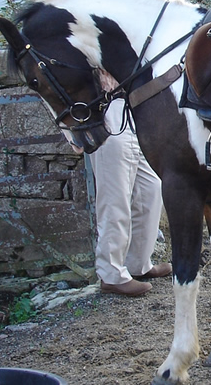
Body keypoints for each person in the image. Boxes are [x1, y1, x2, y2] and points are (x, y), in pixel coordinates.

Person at [87, 98, 172, 296]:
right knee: (114, 199)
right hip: (105, 113)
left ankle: (138, 264)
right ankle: (111, 275)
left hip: (131, 112)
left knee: (151, 188)